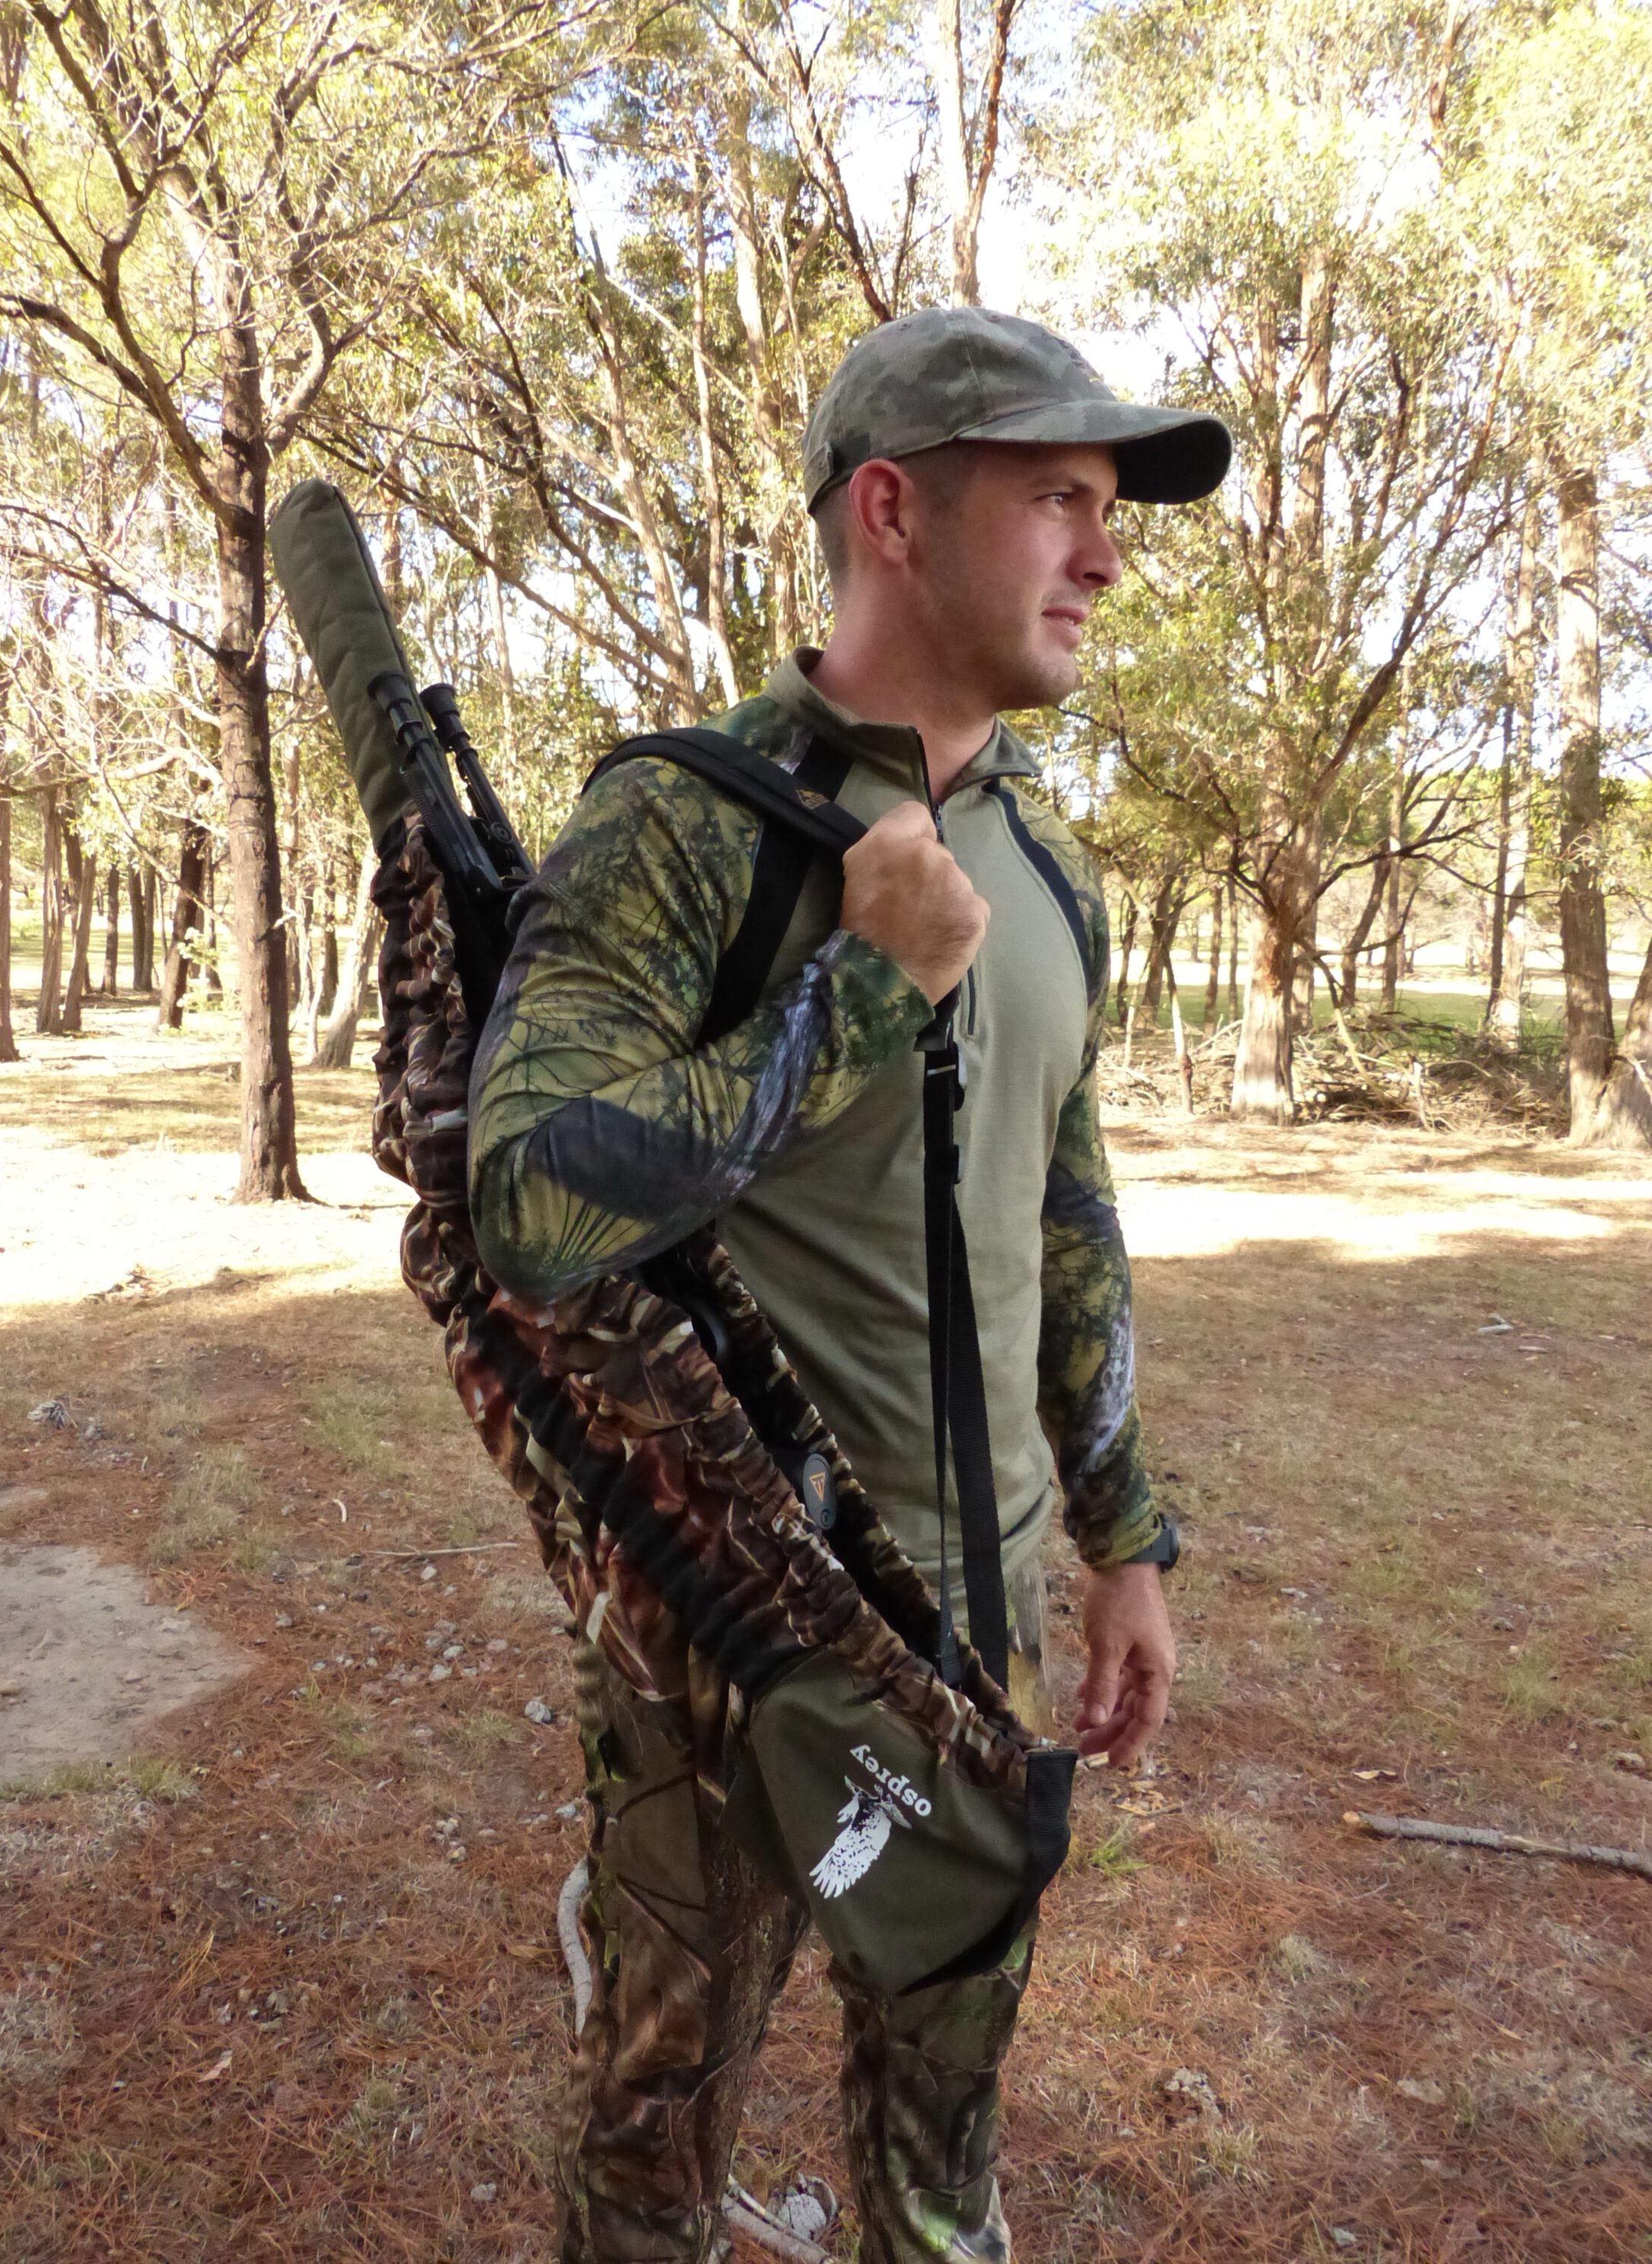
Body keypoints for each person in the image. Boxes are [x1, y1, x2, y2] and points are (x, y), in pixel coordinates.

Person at [467, 306, 1232, 2264]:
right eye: (1056, 495)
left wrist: (1122, 1536)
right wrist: (856, 996)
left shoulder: (1053, 880)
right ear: (891, 510)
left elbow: (1064, 1207)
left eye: (1105, 504)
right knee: (651, 2156)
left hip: (980, 1643)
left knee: (938, 2160)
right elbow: (528, 1201)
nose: (1103, 548)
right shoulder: (685, 822)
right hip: (728, 1653)